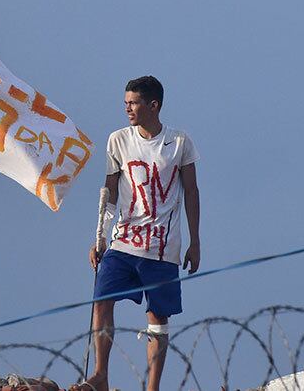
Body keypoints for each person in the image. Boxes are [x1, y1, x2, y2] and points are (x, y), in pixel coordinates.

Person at [76, 76, 201, 391]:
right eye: (126, 103)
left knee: (157, 317)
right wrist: (100, 236)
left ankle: (152, 386)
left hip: (162, 246)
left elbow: (191, 191)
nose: (127, 108)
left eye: (133, 103)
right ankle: (101, 375)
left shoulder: (180, 142)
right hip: (124, 240)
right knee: (102, 299)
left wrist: (195, 241)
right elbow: (111, 191)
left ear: (153, 105)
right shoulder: (118, 140)